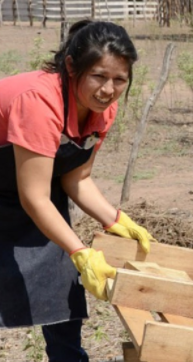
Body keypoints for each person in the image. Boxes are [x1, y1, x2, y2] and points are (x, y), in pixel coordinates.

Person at [0, 20, 156, 361]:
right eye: (99, 76)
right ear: (71, 66)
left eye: (120, 80)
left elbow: (76, 179)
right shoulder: (39, 101)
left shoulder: (102, 108)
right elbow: (35, 197)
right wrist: (80, 252)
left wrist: (115, 220)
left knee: (62, 281)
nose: (108, 90)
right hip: (25, 190)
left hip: (28, 188)